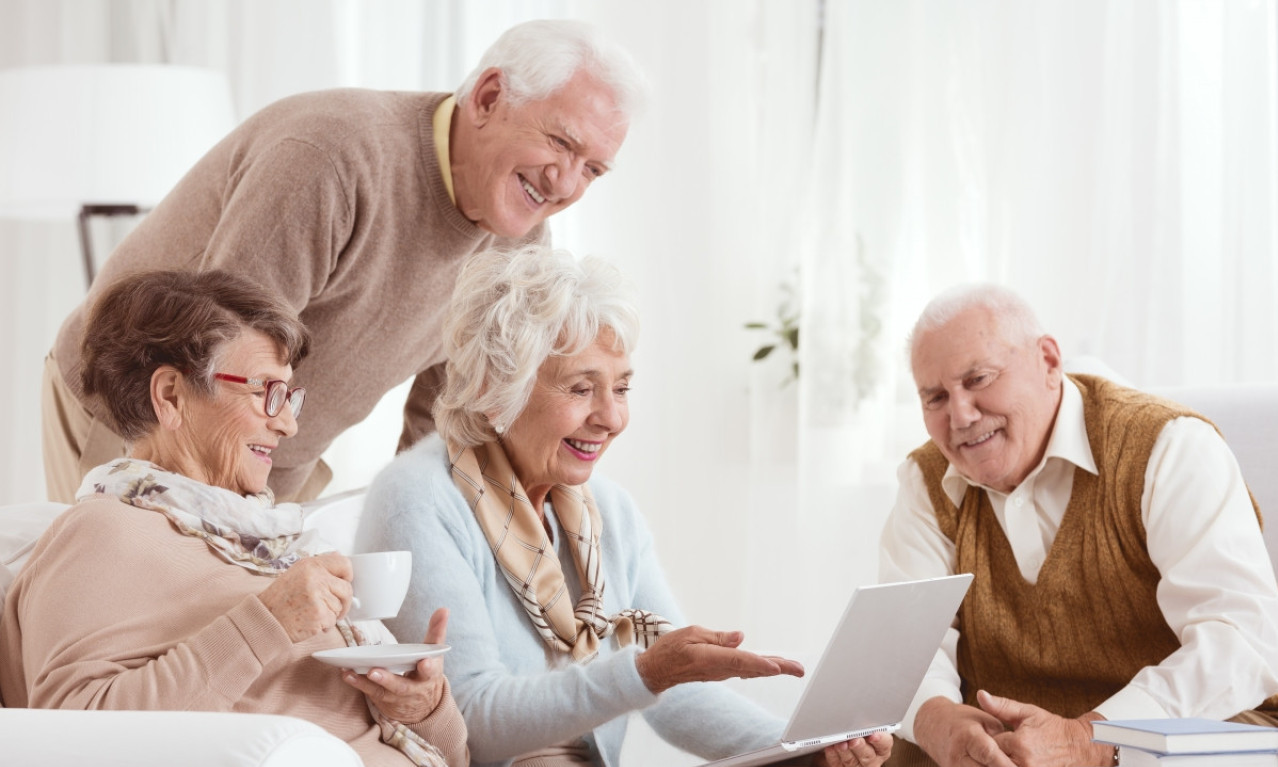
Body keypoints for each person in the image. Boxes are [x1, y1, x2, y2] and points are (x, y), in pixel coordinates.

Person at [42, 18, 646, 504]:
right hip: (145, 408)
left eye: (592, 168)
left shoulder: (519, 244)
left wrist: (423, 533)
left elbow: (450, 417)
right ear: (489, 97)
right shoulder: (331, 159)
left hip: (276, 447)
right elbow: (217, 364)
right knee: (143, 630)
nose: (566, 182)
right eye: (560, 143)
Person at [358, 244, 893, 767]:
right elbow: (471, 718)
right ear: (499, 390)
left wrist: (804, 750)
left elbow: (678, 691)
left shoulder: (606, 513)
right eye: (581, 388)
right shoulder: (417, 500)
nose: (611, 418)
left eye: (622, 388)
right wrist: (644, 673)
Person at [2, 270, 468, 767]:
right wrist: (268, 620)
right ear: (172, 397)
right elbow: (73, 737)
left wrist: (423, 706)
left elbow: (456, 752)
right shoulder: (103, 531)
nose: (288, 423)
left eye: (289, 397)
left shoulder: (267, 542)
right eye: (266, 391)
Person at [878, 283, 1278, 767]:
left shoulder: (1169, 446)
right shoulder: (925, 479)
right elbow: (903, 649)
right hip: (1009, 753)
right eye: (936, 397)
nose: (960, 415)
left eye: (979, 379)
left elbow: (1241, 639)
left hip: (1174, 739)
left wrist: (1094, 737)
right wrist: (937, 718)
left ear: (1048, 361)